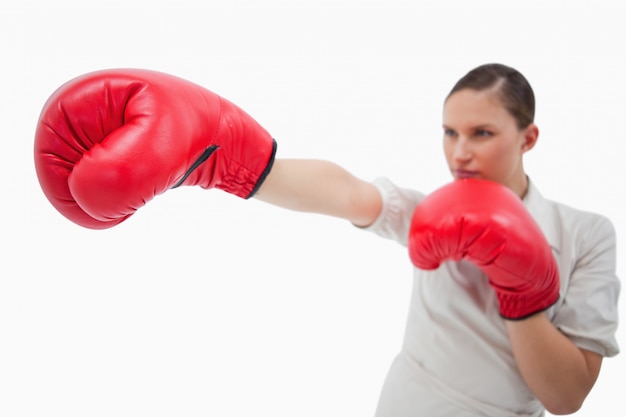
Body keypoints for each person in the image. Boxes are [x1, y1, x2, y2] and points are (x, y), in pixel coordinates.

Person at [34, 64, 620, 416]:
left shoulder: (586, 235)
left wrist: (523, 292)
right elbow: (347, 193)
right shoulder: (429, 214)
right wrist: (223, 158)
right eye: (449, 132)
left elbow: (568, 396)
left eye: (482, 133)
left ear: (530, 136)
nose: (459, 152)